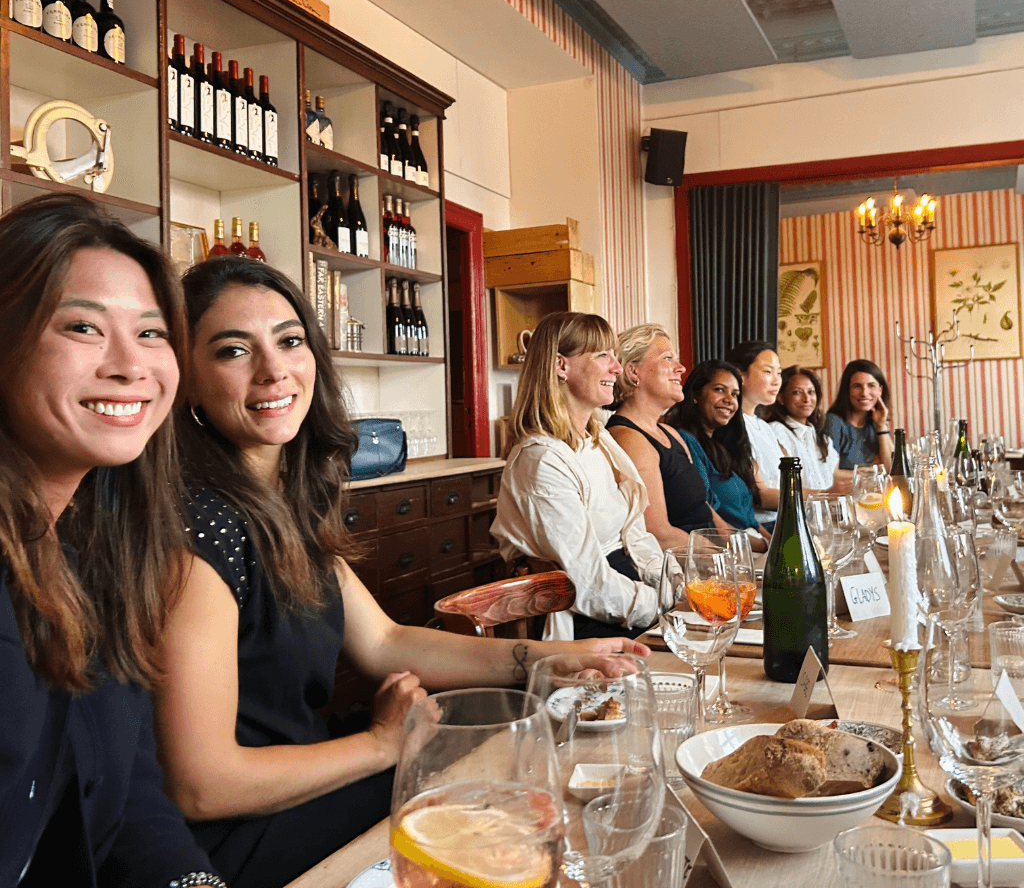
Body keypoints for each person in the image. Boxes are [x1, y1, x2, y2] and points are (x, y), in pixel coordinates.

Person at [154, 258, 645, 888]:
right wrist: (381, 745)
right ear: (186, 380)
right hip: (247, 832)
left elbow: (384, 640)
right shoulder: (200, 532)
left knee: (524, 773)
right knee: (521, 800)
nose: (273, 370)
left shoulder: (280, 504)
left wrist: (552, 660)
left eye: (289, 341)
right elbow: (202, 786)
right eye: (232, 350)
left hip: (310, 779)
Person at [0, 194, 220, 887]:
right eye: (82, 327)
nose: (131, 366)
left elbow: (125, 795)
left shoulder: (89, 554)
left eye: (152, 333)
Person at [491, 311, 669, 641]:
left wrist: (673, 586)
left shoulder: (597, 439)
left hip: (632, 596)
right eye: (603, 355)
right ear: (561, 366)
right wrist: (660, 605)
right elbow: (588, 584)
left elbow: (635, 535)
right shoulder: (542, 459)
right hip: (590, 623)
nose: (617, 368)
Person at [606, 324, 717, 545]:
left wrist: (753, 547)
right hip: (682, 561)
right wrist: (725, 560)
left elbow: (704, 510)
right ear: (633, 371)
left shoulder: (671, 433)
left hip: (710, 554)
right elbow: (657, 534)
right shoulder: (628, 439)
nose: (681, 368)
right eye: (668, 358)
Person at [665, 361, 771, 549]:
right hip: (726, 549)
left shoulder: (724, 447)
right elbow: (708, 519)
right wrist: (765, 547)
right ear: (696, 395)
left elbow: (750, 520)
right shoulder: (684, 440)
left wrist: (771, 542)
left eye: (735, 394)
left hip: (750, 543)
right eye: (720, 390)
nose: (729, 400)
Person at [724, 340, 785, 526]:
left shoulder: (765, 427)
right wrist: (823, 497)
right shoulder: (730, 426)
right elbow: (759, 495)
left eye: (779, 373)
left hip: (781, 519)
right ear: (740, 375)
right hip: (757, 526)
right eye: (768, 372)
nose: (776, 381)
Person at [766, 366, 847, 492]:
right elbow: (782, 487)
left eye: (811, 392)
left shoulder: (821, 437)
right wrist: (826, 494)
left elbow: (835, 474)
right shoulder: (775, 432)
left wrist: (865, 473)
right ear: (780, 398)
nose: (806, 399)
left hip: (826, 504)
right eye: (797, 392)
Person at [825, 359, 894, 470]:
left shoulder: (877, 422)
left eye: (871, 385)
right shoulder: (833, 422)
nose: (864, 393)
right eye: (857, 386)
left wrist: (881, 427)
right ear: (847, 390)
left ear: (880, 391)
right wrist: (871, 470)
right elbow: (830, 473)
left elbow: (893, 469)